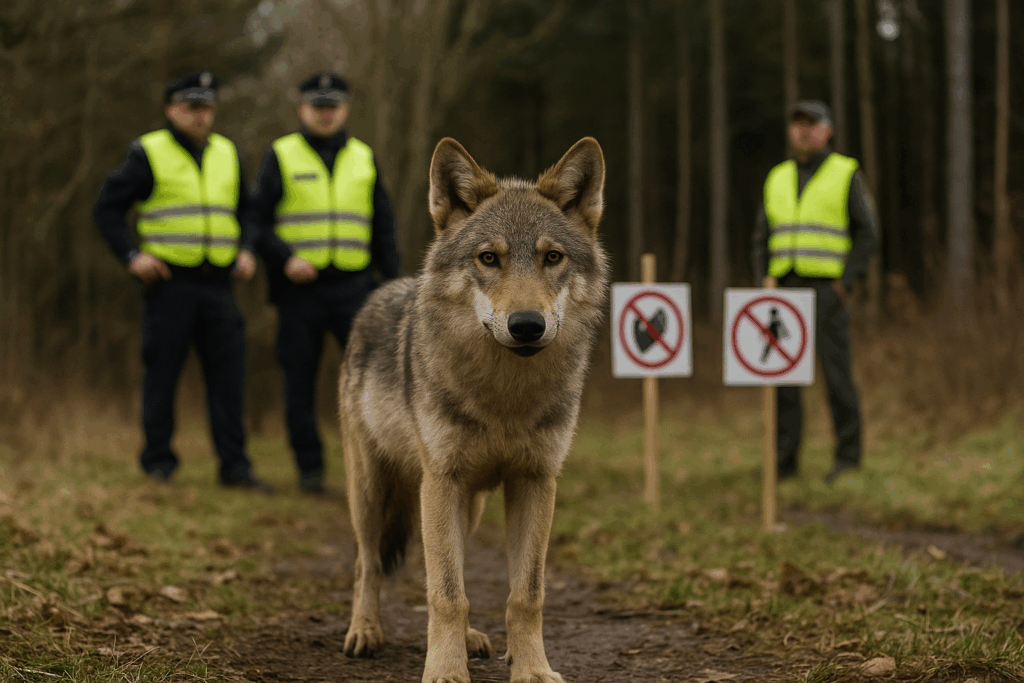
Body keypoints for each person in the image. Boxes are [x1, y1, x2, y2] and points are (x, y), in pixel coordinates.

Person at [93, 71, 273, 493]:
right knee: (163, 375)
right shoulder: (148, 153)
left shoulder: (228, 152)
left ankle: (234, 467)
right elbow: (106, 210)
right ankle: (158, 463)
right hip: (169, 284)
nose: (200, 115)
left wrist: (247, 249)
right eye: (192, 107)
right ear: (170, 109)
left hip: (220, 286)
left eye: (206, 107)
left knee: (229, 379)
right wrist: (132, 256)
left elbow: (248, 212)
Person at [249, 71, 401, 493]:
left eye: (332, 106)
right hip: (299, 293)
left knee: (376, 382)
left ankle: (379, 470)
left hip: (357, 291)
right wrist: (285, 260)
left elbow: (383, 227)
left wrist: (393, 285)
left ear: (345, 109)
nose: (325, 114)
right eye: (318, 106)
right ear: (302, 110)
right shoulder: (281, 155)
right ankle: (310, 472)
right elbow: (257, 223)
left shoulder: (364, 157)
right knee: (299, 382)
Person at [752, 100, 878, 486]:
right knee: (783, 383)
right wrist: (762, 283)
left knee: (837, 377)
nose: (804, 130)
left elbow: (868, 233)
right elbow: (761, 237)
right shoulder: (777, 177)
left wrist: (846, 281)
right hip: (782, 291)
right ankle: (784, 463)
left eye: (812, 123)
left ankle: (848, 459)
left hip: (826, 290)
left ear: (828, 130)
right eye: (797, 124)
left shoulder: (845, 172)